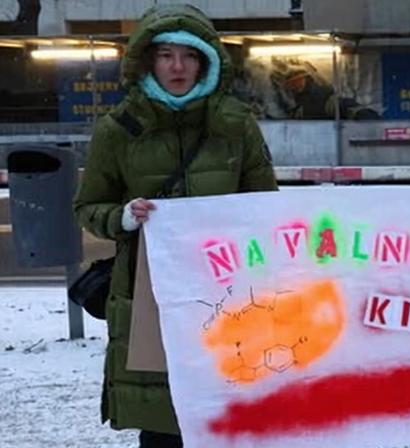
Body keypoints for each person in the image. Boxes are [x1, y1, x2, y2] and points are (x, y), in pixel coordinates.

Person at [73, 4, 278, 447]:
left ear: (206, 61)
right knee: (162, 414)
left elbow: (265, 204)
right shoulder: (120, 130)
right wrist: (123, 217)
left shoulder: (235, 125)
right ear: (149, 60)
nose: (178, 66)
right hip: (152, 289)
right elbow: (88, 206)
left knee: (229, 401)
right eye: (166, 55)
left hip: (227, 286)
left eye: (189, 55)